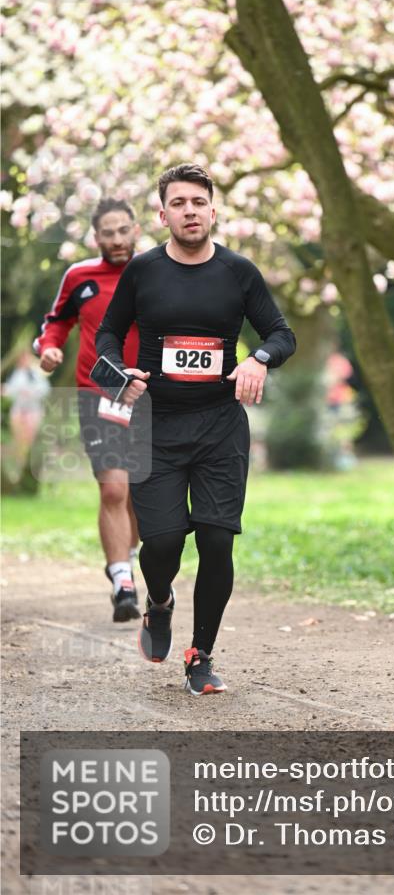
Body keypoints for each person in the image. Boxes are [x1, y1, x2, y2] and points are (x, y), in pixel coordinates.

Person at [96, 163, 296, 696]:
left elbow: (281, 334)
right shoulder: (143, 271)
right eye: (179, 203)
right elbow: (108, 336)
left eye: (199, 202)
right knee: (161, 542)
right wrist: (120, 376)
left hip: (220, 427)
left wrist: (258, 359)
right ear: (163, 215)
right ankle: (159, 600)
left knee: (216, 538)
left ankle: (200, 655)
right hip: (155, 426)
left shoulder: (238, 272)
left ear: (213, 211)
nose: (190, 211)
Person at [34, 198, 143, 622]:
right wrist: (49, 348)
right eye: (108, 233)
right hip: (100, 393)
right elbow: (56, 321)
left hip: (150, 396)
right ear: (96, 237)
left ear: (136, 230)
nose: (116, 240)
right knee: (114, 488)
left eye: (123, 231)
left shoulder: (156, 271)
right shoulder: (80, 276)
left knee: (142, 493)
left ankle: (127, 556)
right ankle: (122, 582)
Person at [2, 349, 50, 479]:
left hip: (33, 411)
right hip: (18, 410)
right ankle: (17, 467)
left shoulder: (37, 374)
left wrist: (31, 393)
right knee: (18, 439)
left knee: (28, 440)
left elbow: (45, 390)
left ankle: (27, 468)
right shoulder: (17, 374)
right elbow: (11, 390)